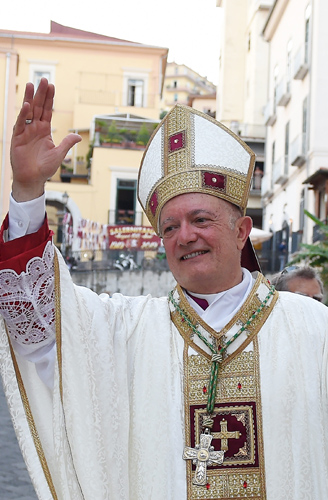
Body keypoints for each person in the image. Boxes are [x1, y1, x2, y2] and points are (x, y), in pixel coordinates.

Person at [0, 79, 328, 500]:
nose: (185, 236)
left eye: (201, 220)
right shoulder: (128, 331)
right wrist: (28, 192)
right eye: (169, 227)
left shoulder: (313, 329)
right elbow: (43, 327)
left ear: (242, 231)